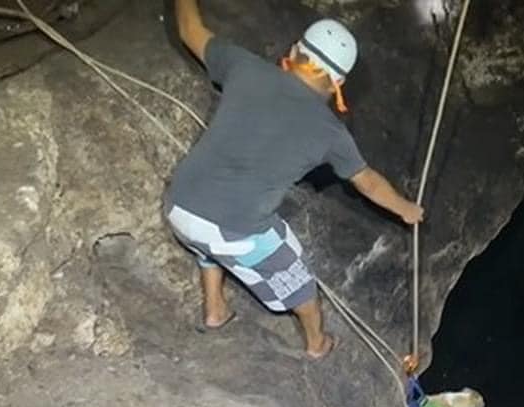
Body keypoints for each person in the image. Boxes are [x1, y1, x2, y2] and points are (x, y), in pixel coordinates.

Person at [164, 0, 424, 359]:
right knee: (303, 289)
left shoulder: (244, 66)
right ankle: (317, 343)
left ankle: (215, 309)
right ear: (338, 83)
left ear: (296, 50)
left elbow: (189, 29)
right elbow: (368, 182)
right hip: (230, 231)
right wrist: (406, 209)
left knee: (211, 237)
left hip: (179, 205)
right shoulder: (331, 133)